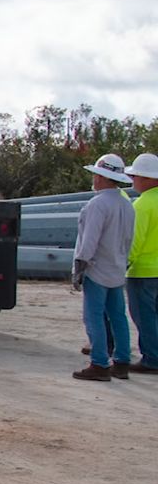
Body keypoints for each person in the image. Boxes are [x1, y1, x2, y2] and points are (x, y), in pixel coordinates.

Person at [71, 154, 134, 381]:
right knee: (118, 316)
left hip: (97, 268)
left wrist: (79, 266)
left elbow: (89, 241)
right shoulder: (127, 205)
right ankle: (122, 361)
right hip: (117, 268)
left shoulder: (97, 205)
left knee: (94, 317)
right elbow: (129, 239)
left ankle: (99, 363)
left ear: (100, 176)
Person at [126, 153, 158, 375]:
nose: (133, 180)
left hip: (143, 271)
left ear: (147, 179)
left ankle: (152, 359)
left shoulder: (142, 205)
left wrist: (124, 263)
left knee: (144, 315)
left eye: (136, 176)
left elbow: (134, 241)